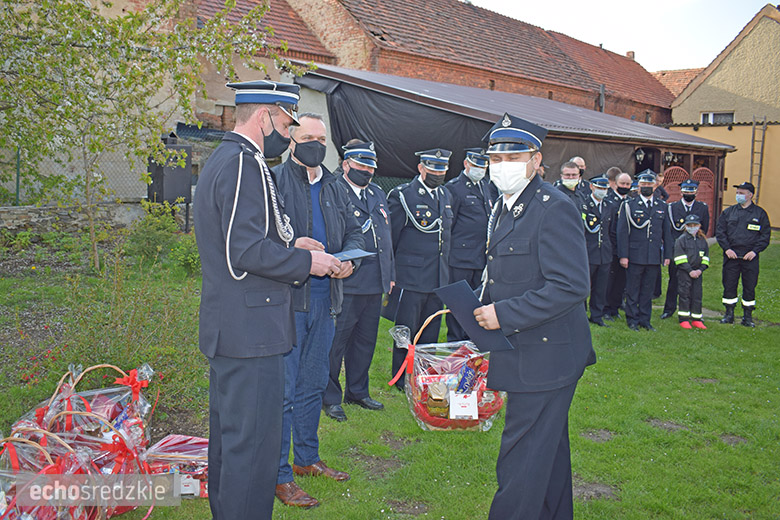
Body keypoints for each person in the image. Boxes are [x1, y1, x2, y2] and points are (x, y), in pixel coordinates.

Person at [193, 80, 341, 520]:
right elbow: (244, 252)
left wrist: (293, 245)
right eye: (286, 123)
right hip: (251, 332)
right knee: (252, 450)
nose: (288, 133)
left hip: (238, 328)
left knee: (233, 443)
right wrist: (306, 263)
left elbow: (246, 237)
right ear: (264, 117)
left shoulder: (231, 158)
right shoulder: (244, 163)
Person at [473, 113, 595, 520]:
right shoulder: (506, 205)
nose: (502, 165)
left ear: (536, 160)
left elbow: (571, 285)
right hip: (527, 350)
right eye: (495, 158)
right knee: (547, 452)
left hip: (548, 356)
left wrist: (503, 314)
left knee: (521, 462)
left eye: (513, 157)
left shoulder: (552, 207)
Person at [273, 113, 364, 508]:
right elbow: (259, 238)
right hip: (289, 303)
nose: (316, 145)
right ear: (292, 141)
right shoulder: (275, 181)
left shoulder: (334, 185)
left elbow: (356, 232)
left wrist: (351, 261)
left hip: (328, 300)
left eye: (322, 139)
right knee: (284, 392)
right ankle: (280, 475)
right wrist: (293, 247)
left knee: (313, 384)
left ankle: (307, 458)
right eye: (308, 137)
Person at [323, 140, 394, 422]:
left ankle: (358, 391)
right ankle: (330, 397)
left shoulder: (377, 193)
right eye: (361, 165)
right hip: (347, 281)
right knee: (336, 343)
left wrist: (390, 275)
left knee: (365, 341)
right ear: (346, 164)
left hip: (374, 282)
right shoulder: (334, 190)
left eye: (371, 166)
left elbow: (386, 238)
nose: (367, 171)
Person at [385, 148, 454, 391]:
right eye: (433, 168)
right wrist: (391, 273)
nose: (438, 173)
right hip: (411, 277)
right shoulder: (403, 195)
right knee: (406, 332)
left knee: (430, 333)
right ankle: (401, 377)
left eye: (442, 169)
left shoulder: (445, 195)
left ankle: (423, 375)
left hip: (437, 277)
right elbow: (391, 239)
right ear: (421, 168)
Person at [444, 147, 498, 341]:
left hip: (480, 257)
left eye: (483, 166)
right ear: (466, 164)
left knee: (477, 304)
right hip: (460, 259)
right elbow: (449, 225)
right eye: (476, 165)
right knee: (458, 305)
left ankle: (470, 343)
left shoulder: (486, 186)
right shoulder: (454, 188)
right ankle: (455, 343)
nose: (480, 170)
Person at [616, 170, 673, 331]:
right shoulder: (629, 205)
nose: (646, 187)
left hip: (653, 255)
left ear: (655, 186)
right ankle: (632, 319)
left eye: (649, 184)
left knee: (648, 291)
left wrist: (667, 255)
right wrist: (623, 255)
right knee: (633, 290)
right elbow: (622, 233)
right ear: (638, 186)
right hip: (634, 255)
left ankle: (645, 319)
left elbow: (667, 233)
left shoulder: (662, 206)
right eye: (643, 184)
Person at [715, 182, 771, 327]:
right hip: (731, 256)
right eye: (737, 192)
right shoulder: (729, 212)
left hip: (750, 258)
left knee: (749, 286)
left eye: (741, 193)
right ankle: (729, 314)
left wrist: (754, 251)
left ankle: (747, 317)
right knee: (729, 285)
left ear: (750, 195)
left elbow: (765, 236)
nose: (738, 195)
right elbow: (720, 232)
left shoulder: (760, 214)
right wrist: (727, 249)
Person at [660, 180, 710, 319]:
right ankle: (669, 309)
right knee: (674, 282)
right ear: (681, 192)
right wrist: (670, 253)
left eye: (691, 191)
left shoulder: (702, 208)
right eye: (686, 191)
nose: (688, 194)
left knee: (694, 285)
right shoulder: (672, 207)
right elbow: (668, 232)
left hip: (694, 253)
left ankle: (693, 311)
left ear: (696, 192)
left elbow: (704, 229)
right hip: (677, 252)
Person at [581, 176, 614, 326]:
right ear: (592, 187)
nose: (602, 191)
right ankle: (582, 314)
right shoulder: (584, 205)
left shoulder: (609, 205)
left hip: (604, 253)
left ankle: (597, 315)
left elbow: (611, 230)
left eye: (604, 189)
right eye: (599, 188)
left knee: (601, 287)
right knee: (585, 286)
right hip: (588, 251)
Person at [603, 172, 633, 321]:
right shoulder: (609, 201)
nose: (625, 187)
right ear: (615, 184)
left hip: (626, 248)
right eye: (622, 184)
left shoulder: (631, 202)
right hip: (612, 247)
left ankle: (615, 307)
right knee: (609, 281)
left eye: (628, 184)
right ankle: (605, 308)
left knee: (621, 281)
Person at [674, 214, 710, 329]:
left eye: (695, 225)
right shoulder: (681, 240)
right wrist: (690, 270)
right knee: (684, 295)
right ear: (686, 226)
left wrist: (700, 270)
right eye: (690, 225)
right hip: (685, 272)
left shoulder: (702, 240)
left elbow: (706, 257)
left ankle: (696, 319)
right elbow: (679, 258)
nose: (692, 227)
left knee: (697, 295)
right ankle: (684, 319)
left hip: (698, 273)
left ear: (699, 226)